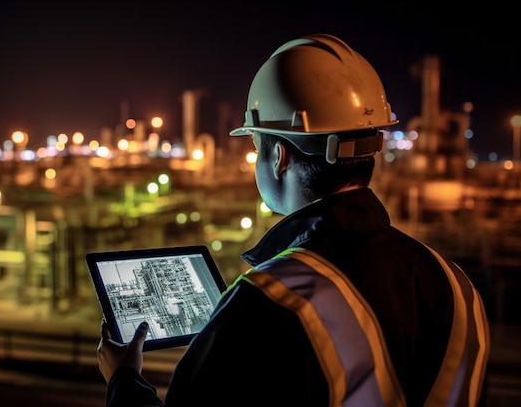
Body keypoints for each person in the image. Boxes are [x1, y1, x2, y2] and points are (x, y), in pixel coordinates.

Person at [96, 33, 490, 406]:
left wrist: (124, 380)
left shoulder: (268, 299)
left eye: (255, 145)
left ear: (280, 156)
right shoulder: (457, 286)